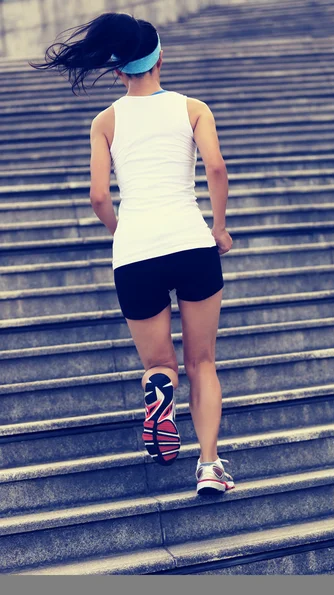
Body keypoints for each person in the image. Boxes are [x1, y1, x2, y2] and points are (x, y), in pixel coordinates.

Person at [30, 12, 235, 495]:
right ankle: (208, 466)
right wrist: (220, 229)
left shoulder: (105, 121)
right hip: (190, 242)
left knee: (159, 364)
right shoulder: (193, 109)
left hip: (136, 253)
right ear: (160, 57)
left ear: (119, 69)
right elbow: (218, 168)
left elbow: (99, 197)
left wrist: (123, 231)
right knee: (202, 361)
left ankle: (157, 396)